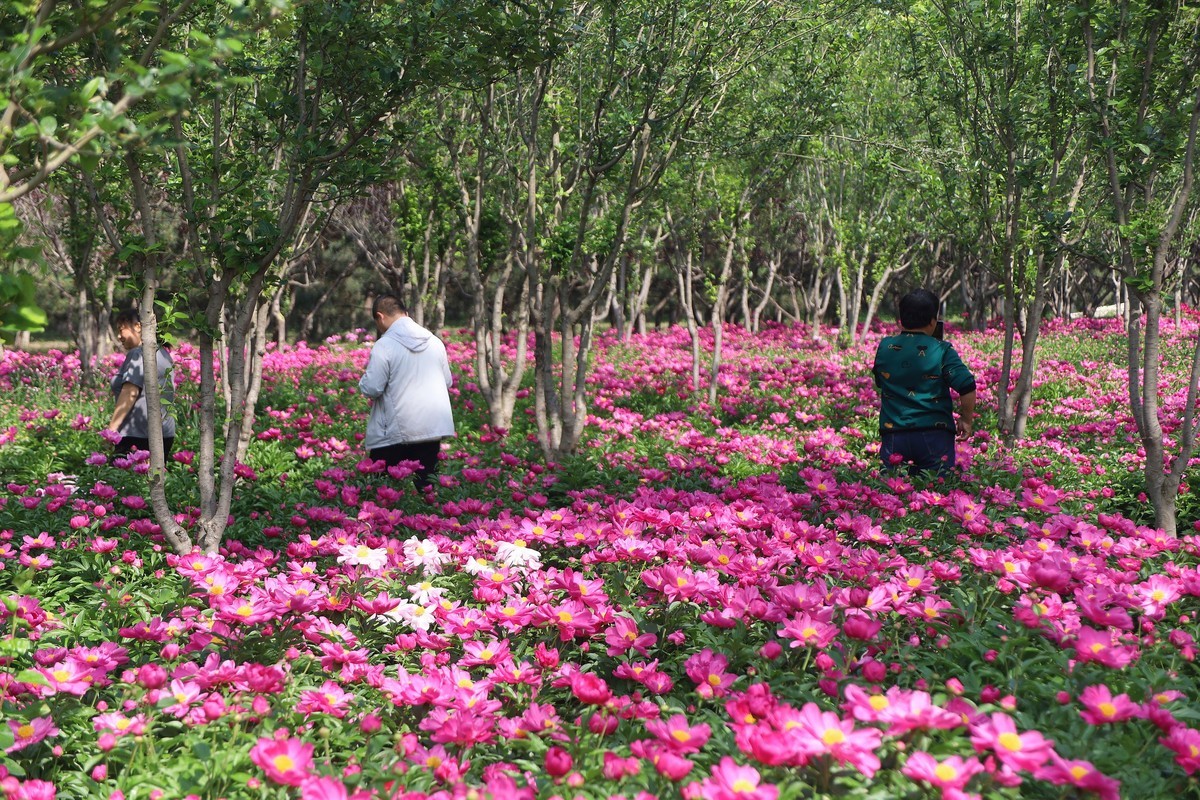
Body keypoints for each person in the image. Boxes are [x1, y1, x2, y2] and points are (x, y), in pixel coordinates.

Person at [872, 289, 976, 475]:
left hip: (894, 434)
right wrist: (966, 419)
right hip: (935, 436)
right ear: (932, 321)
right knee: (936, 492)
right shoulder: (942, 350)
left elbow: (881, 381)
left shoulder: (885, 347)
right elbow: (967, 385)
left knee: (892, 495)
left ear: (901, 319)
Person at [358, 294, 455, 491]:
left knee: (386, 493)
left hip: (394, 433)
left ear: (380, 317)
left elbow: (372, 387)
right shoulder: (435, 342)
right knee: (426, 489)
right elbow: (447, 381)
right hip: (431, 430)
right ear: (406, 314)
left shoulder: (385, 345)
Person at [105, 309, 176, 456]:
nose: (119, 336)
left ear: (138, 326)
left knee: (121, 478)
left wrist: (111, 431)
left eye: (121, 330)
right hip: (164, 434)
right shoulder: (163, 353)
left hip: (136, 435)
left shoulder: (138, 354)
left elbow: (130, 393)